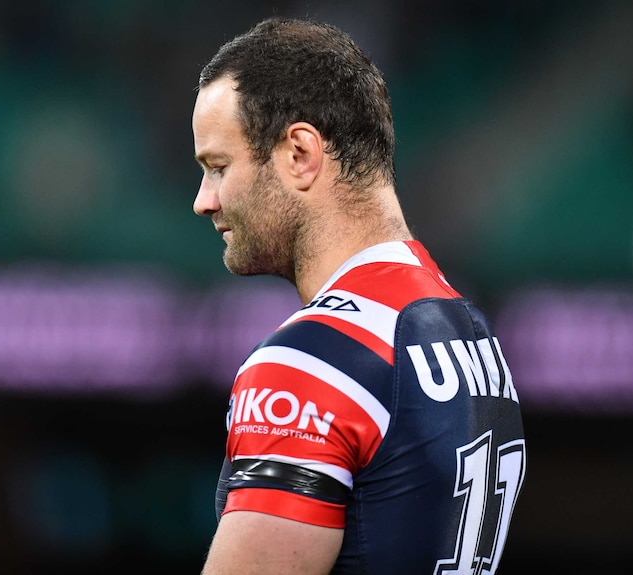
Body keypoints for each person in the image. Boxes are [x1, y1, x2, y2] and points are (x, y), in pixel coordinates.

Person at [191, 17, 526, 575]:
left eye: (218, 167)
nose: (205, 200)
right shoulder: (472, 334)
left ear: (300, 153)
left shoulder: (310, 364)